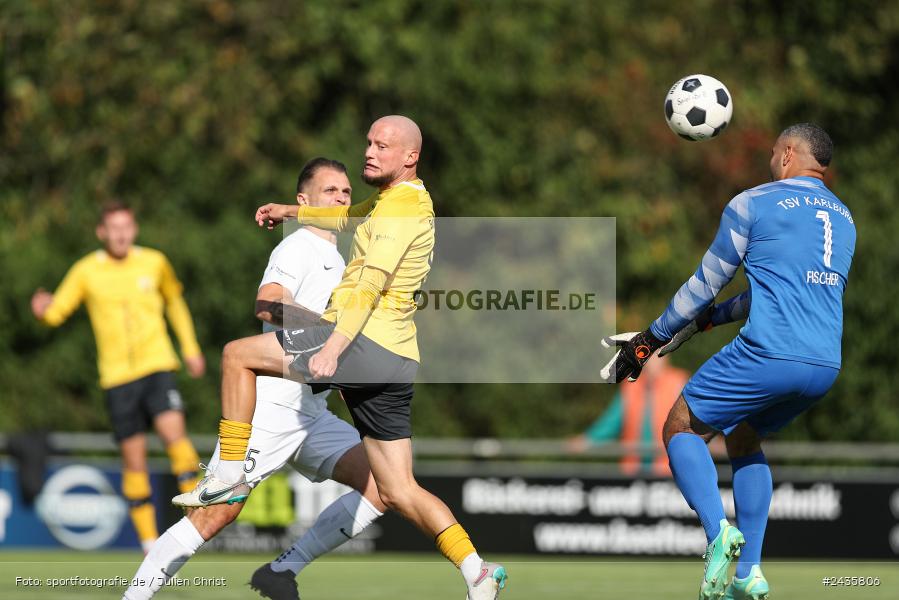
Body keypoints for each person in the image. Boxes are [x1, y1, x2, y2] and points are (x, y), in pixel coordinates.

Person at [174, 115, 508, 600]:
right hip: (395, 356)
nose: (370, 151)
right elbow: (346, 218)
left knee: (236, 356)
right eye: (369, 142)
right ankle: (477, 571)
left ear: (410, 156)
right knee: (397, 490)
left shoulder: (402, 208)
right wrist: (290, 210)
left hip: (361, 343)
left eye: (383, 146)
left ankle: (226, 475)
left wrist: (333, 348)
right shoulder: (396, 200)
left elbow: (370, 283)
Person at [602, 123, 854, 600]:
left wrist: (649, 339)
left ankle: (719, 535)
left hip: (768, 352)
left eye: (774, 152)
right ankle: (750, 573)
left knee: (680, 428)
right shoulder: (844, 218)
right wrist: (709, 321)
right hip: (823, 365)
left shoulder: (755, 202)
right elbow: (776, 294)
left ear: (786, 155)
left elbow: (705, 283)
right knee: (744, 435)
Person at [122, 158, 388, 600]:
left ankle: (283, 569)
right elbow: (267, 304)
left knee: (384, 487)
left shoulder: (339, 258)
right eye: (330, 192)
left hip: (311, 415)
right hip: (270, 409)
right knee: (214, 517)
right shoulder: (298, 247)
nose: (341, 199)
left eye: (345, 192)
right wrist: (323, 329)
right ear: (303, 202)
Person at [30, 202, 205, 553]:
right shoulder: (85, 271)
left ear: (135, 229)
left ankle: (196, 525)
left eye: (126, 226)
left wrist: (190, 347)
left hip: (157, 366)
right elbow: (59, 311)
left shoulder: (154, 262)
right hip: (117, 379)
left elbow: (175, 302)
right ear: (102, 232)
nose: (121, 233)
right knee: (134, 459)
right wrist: (44, 312)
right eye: (114, 227)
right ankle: (147, 543)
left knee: (176, 438)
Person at [568, 355, 688, 476]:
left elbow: (692, 422)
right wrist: (589, 440)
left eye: (657, 356)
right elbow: (612, 421)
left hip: (668, 469)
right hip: (633, 468)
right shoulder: (631, 384)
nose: (652, 362)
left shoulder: (678, 382)